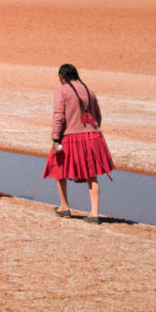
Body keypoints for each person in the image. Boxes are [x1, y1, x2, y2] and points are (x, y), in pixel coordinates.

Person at [46, 62, 114, 219]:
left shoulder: (62, 91)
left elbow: (58, 116)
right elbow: (98, 116)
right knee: (92, 173)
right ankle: (94, 212)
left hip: (70, 136)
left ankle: (64, 207)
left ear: (62, 77)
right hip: (93, 136)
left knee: (59, 169)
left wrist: (56, 139)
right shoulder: (89, 91)